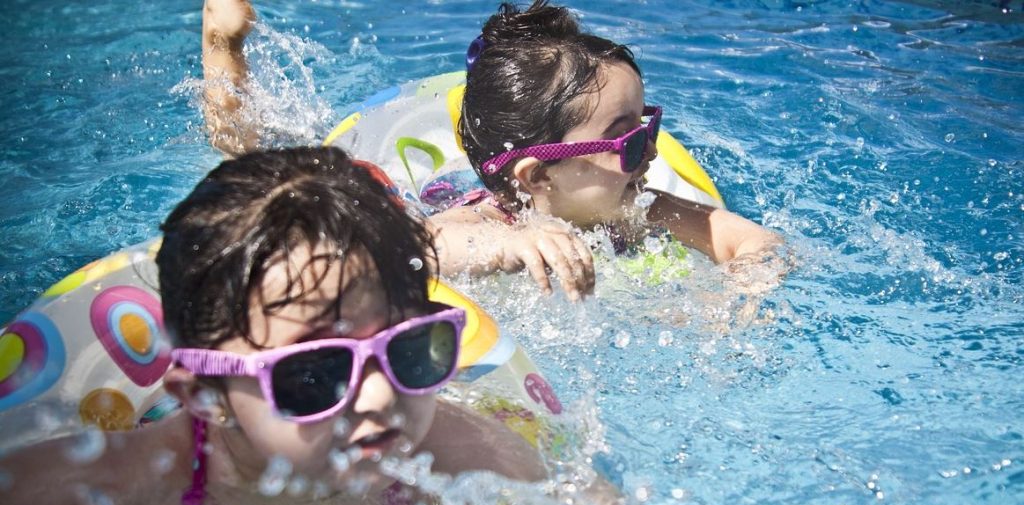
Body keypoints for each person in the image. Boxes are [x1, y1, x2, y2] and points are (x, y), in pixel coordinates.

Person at [0, 146, 545, 505]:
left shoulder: (460, 456)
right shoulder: (121, 486)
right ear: (205, 395)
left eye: (408, 351)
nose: (382, 395)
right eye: (315, 373)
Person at [200, 1, 782, 302]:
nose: (649, 155)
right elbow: (412, 253)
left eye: (649, 129)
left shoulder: (643, 208)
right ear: (536, 176)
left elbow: (748, 240)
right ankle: (223, 49)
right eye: (629, 141)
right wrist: (509, 242)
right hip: (421, 196)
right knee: (257, 168)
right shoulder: (487, 217)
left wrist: (742, 293)